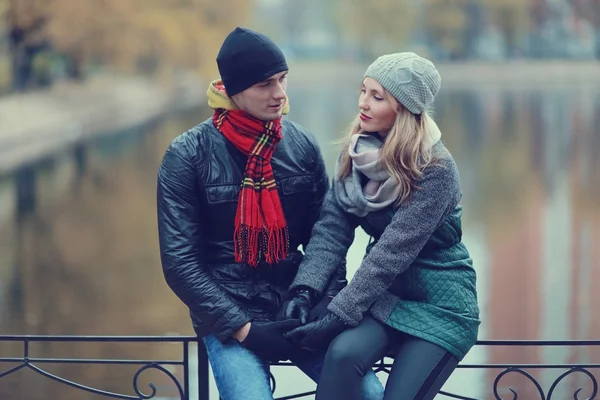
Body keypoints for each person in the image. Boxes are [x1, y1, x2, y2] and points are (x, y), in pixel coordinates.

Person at [156, 27, 384, 399]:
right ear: (233, 90)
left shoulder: (301, 145)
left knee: (369, 395)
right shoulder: (186, 155)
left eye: (282, 79)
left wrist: (321, 303)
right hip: (228, 312)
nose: (280, 94)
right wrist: (244, 328)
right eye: (265, 84)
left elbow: (326, 238)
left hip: (297, 303)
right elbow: (180, 263)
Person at [279, 52, 481, 400]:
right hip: (388, 299)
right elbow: (331, 231)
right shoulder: (356, 153)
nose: (363, 104)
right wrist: (304, 290)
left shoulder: (436, 169)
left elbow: (391, 254)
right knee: (342, 355)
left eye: (377, 96)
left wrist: (338, 315)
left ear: (404, 107)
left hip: (440, 305)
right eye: (363, 91)